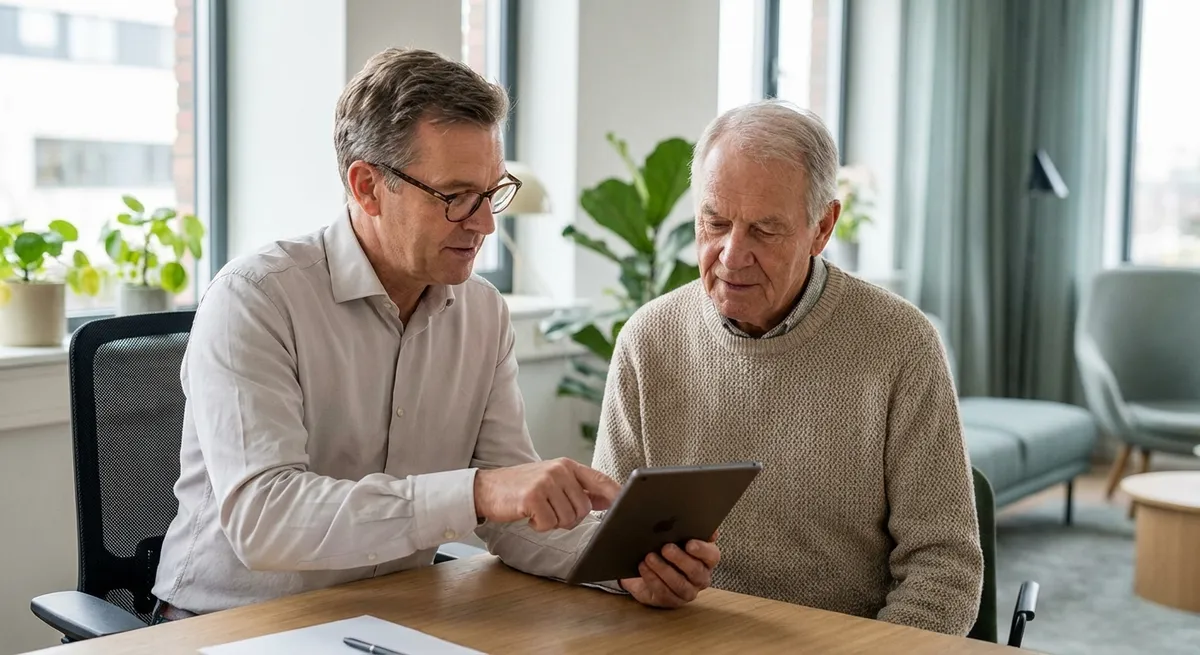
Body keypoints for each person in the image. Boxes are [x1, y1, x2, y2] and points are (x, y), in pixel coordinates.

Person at [151, 47, 719, 619]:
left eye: (493, 191)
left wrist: (623, 564)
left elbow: (516, 522)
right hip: (224, 626)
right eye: (455, 197)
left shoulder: (482, 313)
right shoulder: (256, 297)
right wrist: (477, 492)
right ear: (368, 186)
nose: (485, 223)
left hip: (391, 618)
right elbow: (265, 520)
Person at [591, 99, 983, 635]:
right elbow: (605, 540)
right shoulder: (648, 339)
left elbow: (944, 566)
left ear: (822, 227)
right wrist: (631, 580)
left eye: (764, 230)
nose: (731, 254)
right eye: (716, 222)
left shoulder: (901, 344)